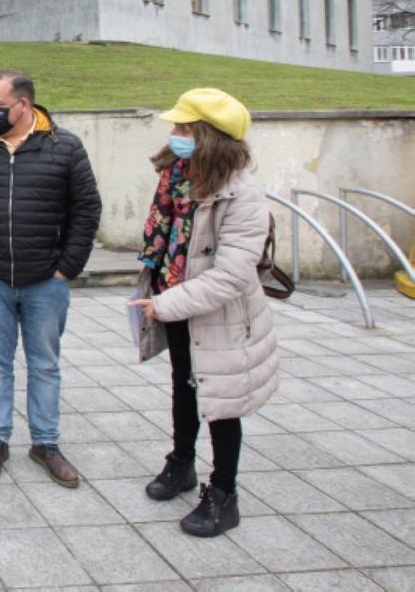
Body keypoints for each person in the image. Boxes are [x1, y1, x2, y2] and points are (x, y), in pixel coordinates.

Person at [130, 88, 278, 538]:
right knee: (185, 385)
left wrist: (166, 302)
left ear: (209, 137)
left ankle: (224, 493)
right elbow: (163, 236)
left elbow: (232, 276)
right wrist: (158, 289)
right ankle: (182, 463)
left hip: (219, 314)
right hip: (174, 300)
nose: (174, 135)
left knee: (222, 399)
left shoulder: (242, 196)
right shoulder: (177, 176)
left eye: (183, 128)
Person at [0, 69, 101, 487]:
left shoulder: (65, 147)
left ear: (24, 105)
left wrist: (67, 266)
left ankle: (46, 444)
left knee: (44, 364)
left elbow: (87, 209)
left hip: (46, 280)